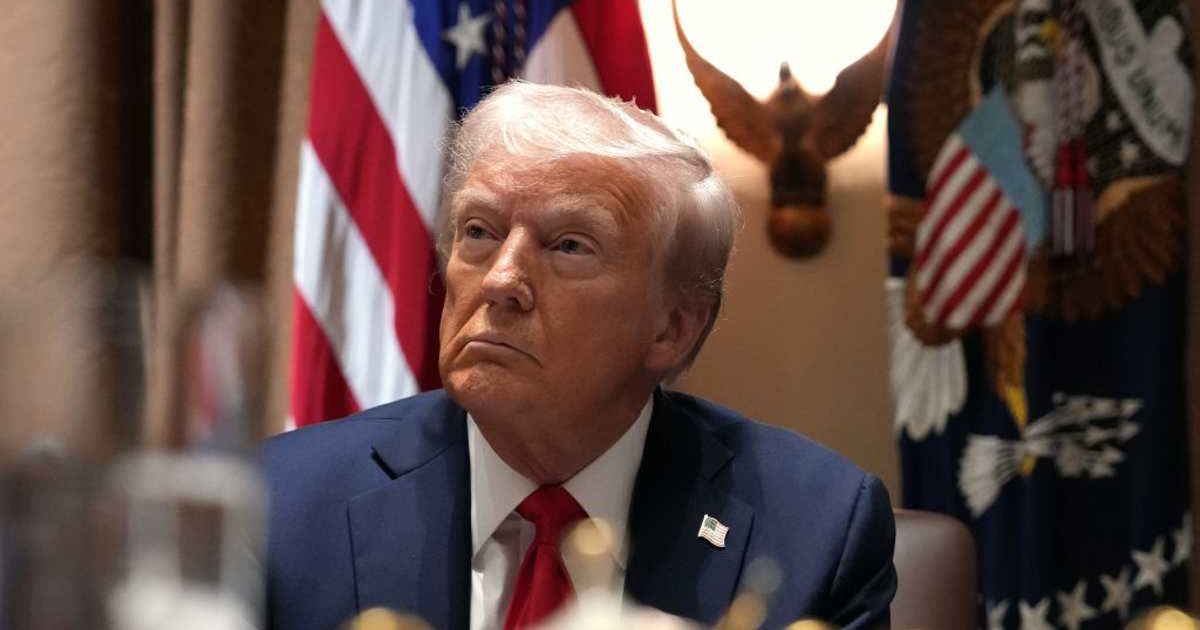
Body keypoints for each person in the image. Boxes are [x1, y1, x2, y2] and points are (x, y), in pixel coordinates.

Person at [262, 81, 896, 630]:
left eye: (569, 245)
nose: (500, 280)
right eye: (479, 231)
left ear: (671, 329)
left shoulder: (816, 531)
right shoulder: (280, 505)